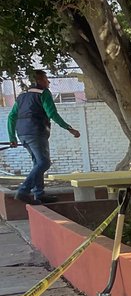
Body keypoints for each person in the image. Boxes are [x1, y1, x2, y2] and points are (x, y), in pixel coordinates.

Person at [7, 69, 80, 205]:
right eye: (46, 79)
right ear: (39, 80)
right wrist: (69, 128)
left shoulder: (22, 96)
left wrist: (12, 137)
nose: (49, 82)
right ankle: (23, 190)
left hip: (22, 133)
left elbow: (11, 116)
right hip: (36, 131)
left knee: (37, 163)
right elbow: (52, 113)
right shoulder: (43, 93)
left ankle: (39, 194)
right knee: (44, 163)